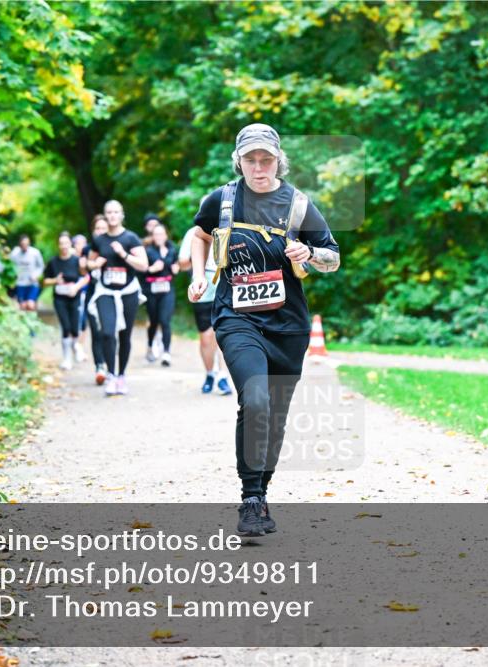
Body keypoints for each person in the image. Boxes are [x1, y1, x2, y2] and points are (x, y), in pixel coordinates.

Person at [188, 123, 341, 536]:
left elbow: (333, 257)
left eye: (266, 159)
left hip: (289, 325)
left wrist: (308, 251)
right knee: (255, 397)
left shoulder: (298, 204)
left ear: (278, 160)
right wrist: (200, 274)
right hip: (237, 318)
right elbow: (198, 233)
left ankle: (262, 491)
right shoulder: (222, 199)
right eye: (250, 159)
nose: (258, 167)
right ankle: (250, 497)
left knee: (275, 417)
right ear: (239, 160)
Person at [85, 200, 149, 396]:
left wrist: (124, 255)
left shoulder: (131, 238)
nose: (112, 216)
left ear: (122, 215)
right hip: (105, 291)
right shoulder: (99, 239)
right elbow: (88, 262)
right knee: (107, 332)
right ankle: (111, 376)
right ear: (105, 216)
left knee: (124, 335)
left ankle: (121, 376)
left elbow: (143, 265)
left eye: (116, 212)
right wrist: (95, 265)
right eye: (109, 212)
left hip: (128, 291)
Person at [179, 221, 233, 396]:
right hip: (204, 285)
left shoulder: (232, 227)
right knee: (206, 337)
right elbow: (183, 264)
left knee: (224, 333)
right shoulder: (193, 233)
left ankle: (223, 376)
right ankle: (210, 374)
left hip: (227, 283)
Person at [43, 232, 89, 370]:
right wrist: (55, 280)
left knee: (75, 328)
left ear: (70, 245)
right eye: (61, 243)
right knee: (66, 327)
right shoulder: (53, 262)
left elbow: (86, 277)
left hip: (74, 297)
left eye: (66, 243)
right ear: (58, 245)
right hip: (59, 299)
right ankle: (66, 358)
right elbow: (45, 281)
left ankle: (76, 349)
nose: (63, 246)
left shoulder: (76, 261)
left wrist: (76, 287)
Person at [144, 222, 179, 366]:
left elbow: (177, 265)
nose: (158, 236)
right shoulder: (148, 251)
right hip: (151, 289)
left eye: (161, 234)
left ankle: (166, 353)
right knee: (153, 321)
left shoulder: (172, 250)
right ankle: (151, 346)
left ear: (166, 235)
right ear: (152, 236)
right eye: (156, 234)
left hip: (167, 289)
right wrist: (150, 269)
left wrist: (177, 268)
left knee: (165, 320)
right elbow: (141, 270)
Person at [83, 215, 108, 384]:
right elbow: (81, 269)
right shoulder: (87, 250)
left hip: (110, 295)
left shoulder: (115, 247)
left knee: (109, 332)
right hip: (92, 295)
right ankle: (99, 366)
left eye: (103, 229)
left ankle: (110, 365)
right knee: (96, 333)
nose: (100, 232)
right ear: (93, 231)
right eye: (97, 229)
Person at [141, 212, 163, 359]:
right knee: (152, 316)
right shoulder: (142, 243)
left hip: (163, 284)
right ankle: (153, 343)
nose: (152, 227)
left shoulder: (164, 241)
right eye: (150, 224)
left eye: (155, 224)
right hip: (148, 284)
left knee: (162, 316)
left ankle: (160, 340)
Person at [9, 234, 44, 313]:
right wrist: (13, 276)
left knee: (30, 305)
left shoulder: (35, 253)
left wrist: (36, 275)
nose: (24, 246)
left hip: (32, 283)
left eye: (26, 244)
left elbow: (41, 266)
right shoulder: (14, 253)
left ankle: (33, 321)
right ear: (19, 245)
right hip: (20, 283)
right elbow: (9, 266)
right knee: (23, 306)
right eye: (22, 245)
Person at [71, 233, 89, 364]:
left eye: (84, 243)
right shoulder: (70, 258)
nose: (81, 246)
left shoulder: (88, 257)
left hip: (86, 292)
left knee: (84, 322)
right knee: (75, 322)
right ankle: (75, 347)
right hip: (72, 295)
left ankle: (80, 347)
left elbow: (89, 275)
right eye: (78, 243)